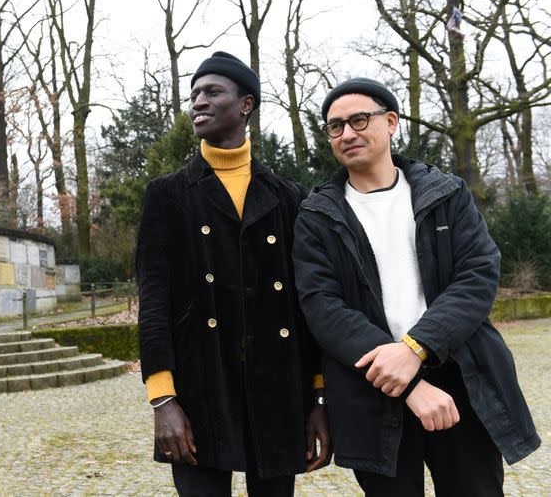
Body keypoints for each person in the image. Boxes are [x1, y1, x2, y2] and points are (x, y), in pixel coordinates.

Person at [292, 78, 540, 496]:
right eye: (335, 126)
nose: (347, 134)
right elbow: (322, 308)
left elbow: (478, 274)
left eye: (359, 120)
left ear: (391, 122)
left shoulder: (446, 193)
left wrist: (415, 347)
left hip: (461, 377)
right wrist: (406, 381)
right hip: (370, 392)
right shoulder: (315, 216)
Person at [136, 51, 331, 496]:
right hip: (199, 388)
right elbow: (154, 302)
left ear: (246, 105)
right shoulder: (167, 195)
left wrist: (318, 397)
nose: (198, 102)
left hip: (279, 387)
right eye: (194, 94)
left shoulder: (288, 197)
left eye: (212, 91)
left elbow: (308, 305)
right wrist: (163, 399)